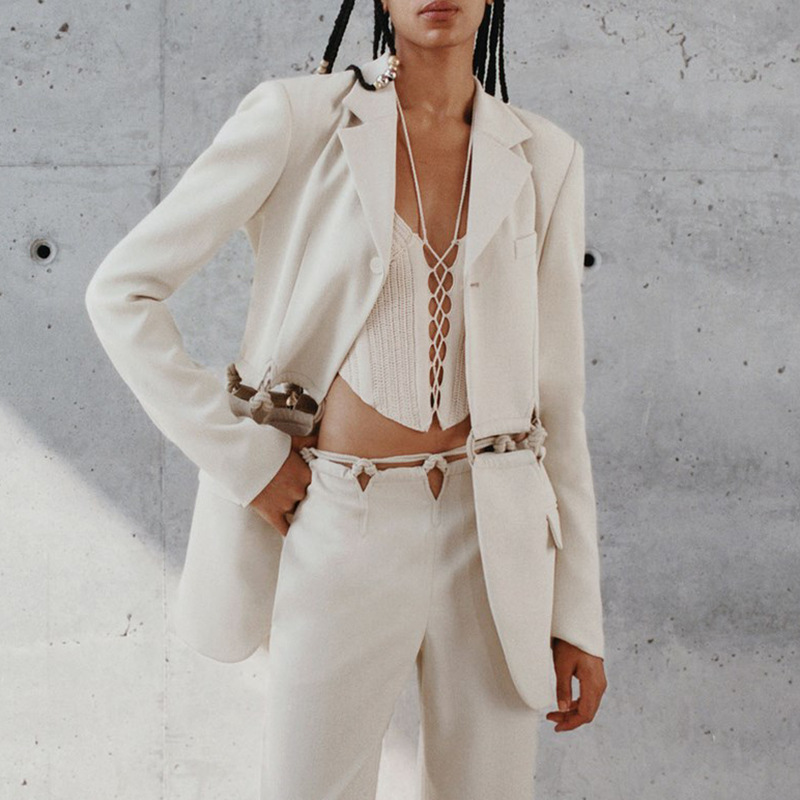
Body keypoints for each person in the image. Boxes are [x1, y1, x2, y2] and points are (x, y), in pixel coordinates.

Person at [85, 1, 608, 797]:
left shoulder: (545, 156)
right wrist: (248, 462)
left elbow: (558, 403)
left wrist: (577, 616)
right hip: (340, 521)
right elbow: (121, 293)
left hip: (494, 536)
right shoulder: (299, 119)